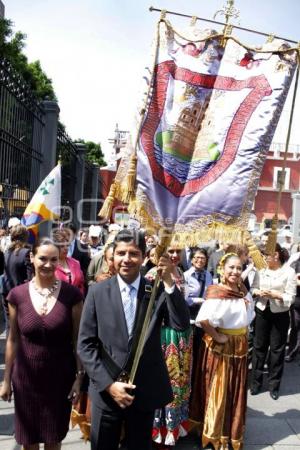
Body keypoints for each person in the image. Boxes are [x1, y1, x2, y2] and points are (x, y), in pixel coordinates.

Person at [77, 229, 190, 450]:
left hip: (144, 390)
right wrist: (109, 385)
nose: (126, 259)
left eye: (133, 253)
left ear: (143, 256)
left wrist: (168, 281)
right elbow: (85, 344)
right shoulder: (97, 292)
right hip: (106, 392)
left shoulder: (156, 290)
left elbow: (180, 324)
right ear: (112, 255)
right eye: (121, 253)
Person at [0, 238, 84, 450]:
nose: (48, 264)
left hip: (60, 378)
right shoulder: (17, 296)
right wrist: (6, 380)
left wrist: (79, 379)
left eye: (53, 259)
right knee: (28, 441)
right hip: (25, 379)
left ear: (59, 260)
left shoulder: (72, 295)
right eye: (43, 258)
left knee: (53, 439)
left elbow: (78, 340)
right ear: (32, 258)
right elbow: (13, 338)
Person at [190, 253, 255, 450]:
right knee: (220, 389)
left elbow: (249, 315)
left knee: (235, 389)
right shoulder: (218, 292)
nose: (235, 271)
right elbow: (203, 320)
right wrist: (218, 337)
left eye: (238, 268)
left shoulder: (242, 292)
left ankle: (230, 431)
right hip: (223, 347)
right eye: (231, 268)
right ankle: (214, 434)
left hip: (240, 346)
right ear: (222, 269)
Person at [146, 246, 192, 447]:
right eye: (169, 251)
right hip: (163, 337)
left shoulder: (180, 272)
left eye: (177, 251)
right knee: (164, 381)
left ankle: (175, 425)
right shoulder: (150, 275)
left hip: (181, 337)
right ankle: (159, 428)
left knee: (179, 383)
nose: (174, 255)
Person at [250, 243, 296, 399]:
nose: (263, 258)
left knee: (277, 350)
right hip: (262, 311)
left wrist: (278, 295)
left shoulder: (289, 272)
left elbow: (291, 297)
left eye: (266, 255)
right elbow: (253, 289)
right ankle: (255, 383)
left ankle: (273, 385)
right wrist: (258, 292)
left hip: (280, 314)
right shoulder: (260, 270)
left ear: (276, 255)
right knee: (259, 347)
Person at [2, 225, 33, 333]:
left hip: (6, 292)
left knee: (10, 324)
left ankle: (8, 349)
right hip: (20, 294)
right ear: (25, 237)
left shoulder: (7, 252)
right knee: (21, 325)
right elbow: (30, 277)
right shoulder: (26, 252)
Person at [52, 229, 85, 295]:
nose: (66, 248)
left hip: (76, 301)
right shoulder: (51, 264)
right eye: (62, 246)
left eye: (67, 245)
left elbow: (81, 283)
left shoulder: (75, 263)